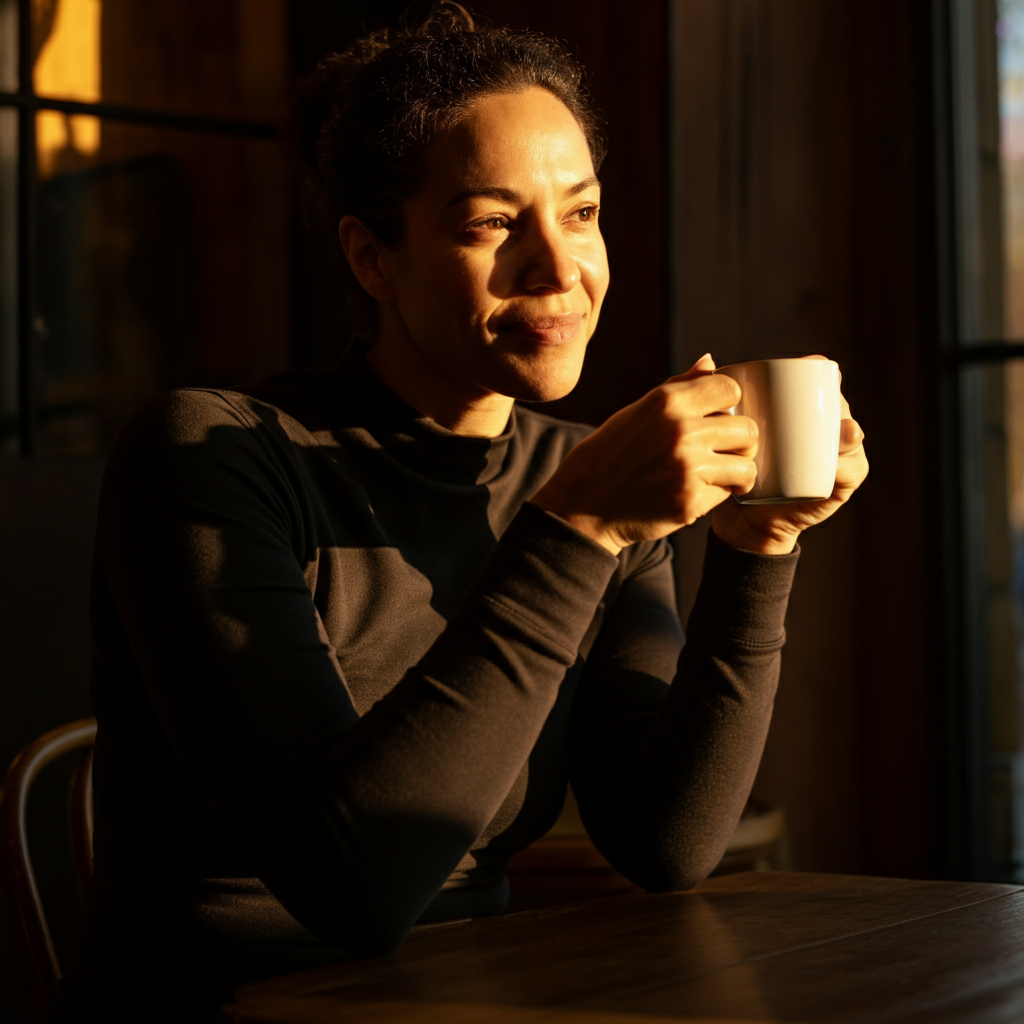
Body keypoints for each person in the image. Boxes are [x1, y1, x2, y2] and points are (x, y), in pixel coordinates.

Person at [58, 4, 868, 1021]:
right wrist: (575, 528)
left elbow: (665, 840)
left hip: (471, 999)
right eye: (492, 222)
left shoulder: (583, 472)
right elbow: (351, 887)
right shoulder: (210, 456)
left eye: (580, 212)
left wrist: (757, 550)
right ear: (372, 260)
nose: (558, 266)